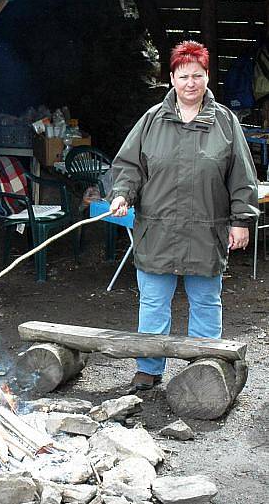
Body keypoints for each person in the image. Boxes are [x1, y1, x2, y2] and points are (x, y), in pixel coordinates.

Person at [109, 40, 258, 393]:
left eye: (198, 75)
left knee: (206, 301)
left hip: (206, 231)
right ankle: (148, 368)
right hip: (157, 229)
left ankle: (205, 367)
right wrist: (121, 194)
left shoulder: (225, 122)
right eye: (183, 75)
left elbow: (242, 174)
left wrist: (240, 220)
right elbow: (130, 166)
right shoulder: (151, 120)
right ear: (171, 78)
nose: (190, 83)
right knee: (153, 302)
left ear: (207, 78)